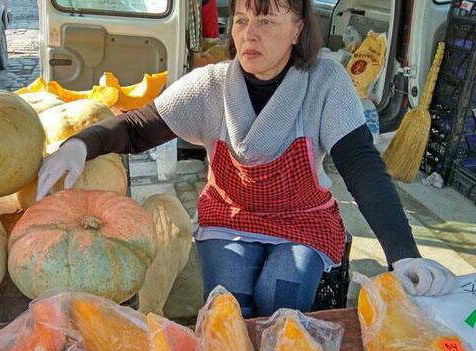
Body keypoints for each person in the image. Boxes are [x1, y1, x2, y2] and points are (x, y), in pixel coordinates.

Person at [36, 0, 457, 317]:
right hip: (230, 215)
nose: (249, 34)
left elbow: (363, 167)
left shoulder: (327, 83)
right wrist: (81, 144)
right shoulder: (210, 85)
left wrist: (403, 254)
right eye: (241, 20)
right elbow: (135, 126)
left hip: (302, 219)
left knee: (282, 294)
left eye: (267, 20)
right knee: (228, 303)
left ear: (297, 29)